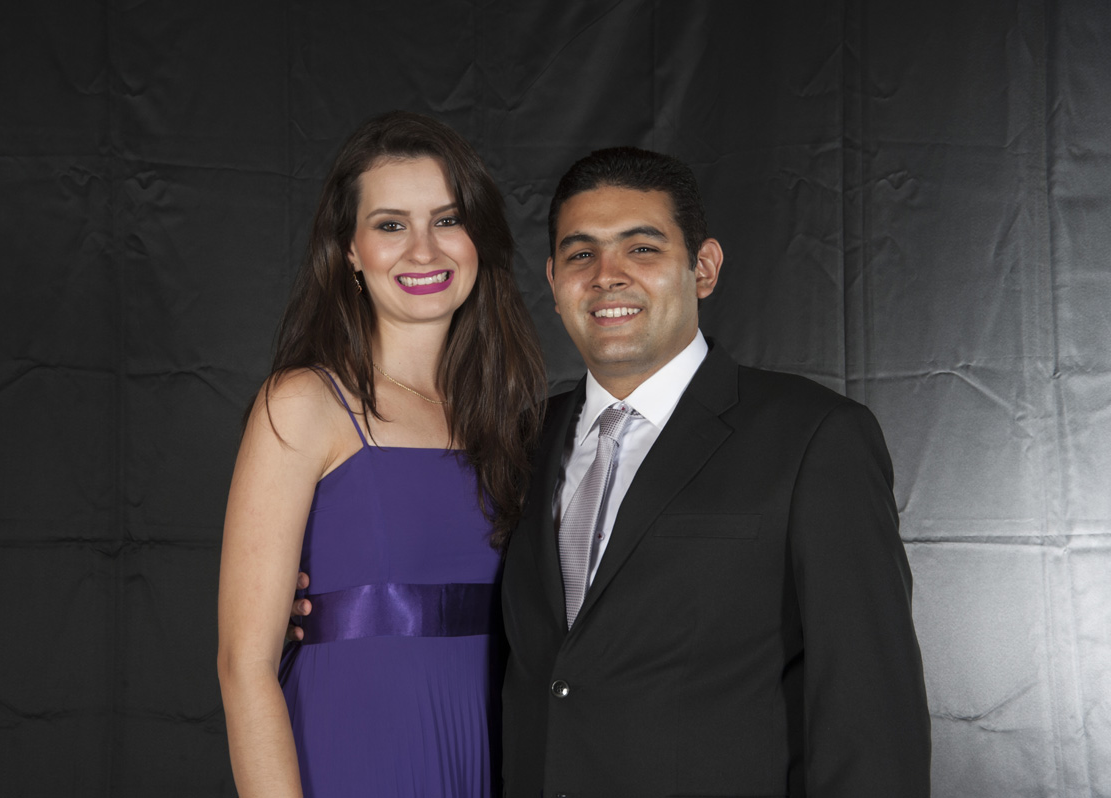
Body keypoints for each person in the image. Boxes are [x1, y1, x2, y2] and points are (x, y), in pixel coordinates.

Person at [496, 146, 932, 796]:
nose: (607, 275)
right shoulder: (517, 442)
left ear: (702, 268)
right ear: (554, 281)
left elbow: (872, 717)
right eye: (581, 254)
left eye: (641, 248)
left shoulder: (814, 437)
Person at [218, 111, 545, 798]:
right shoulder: (304, 403)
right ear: (349, 250)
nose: (423, 250)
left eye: (448, 220)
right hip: (353, 751)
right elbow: (243, 667)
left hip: (494, 754)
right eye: (391, 225)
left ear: (479, 238)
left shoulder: (514, 420)